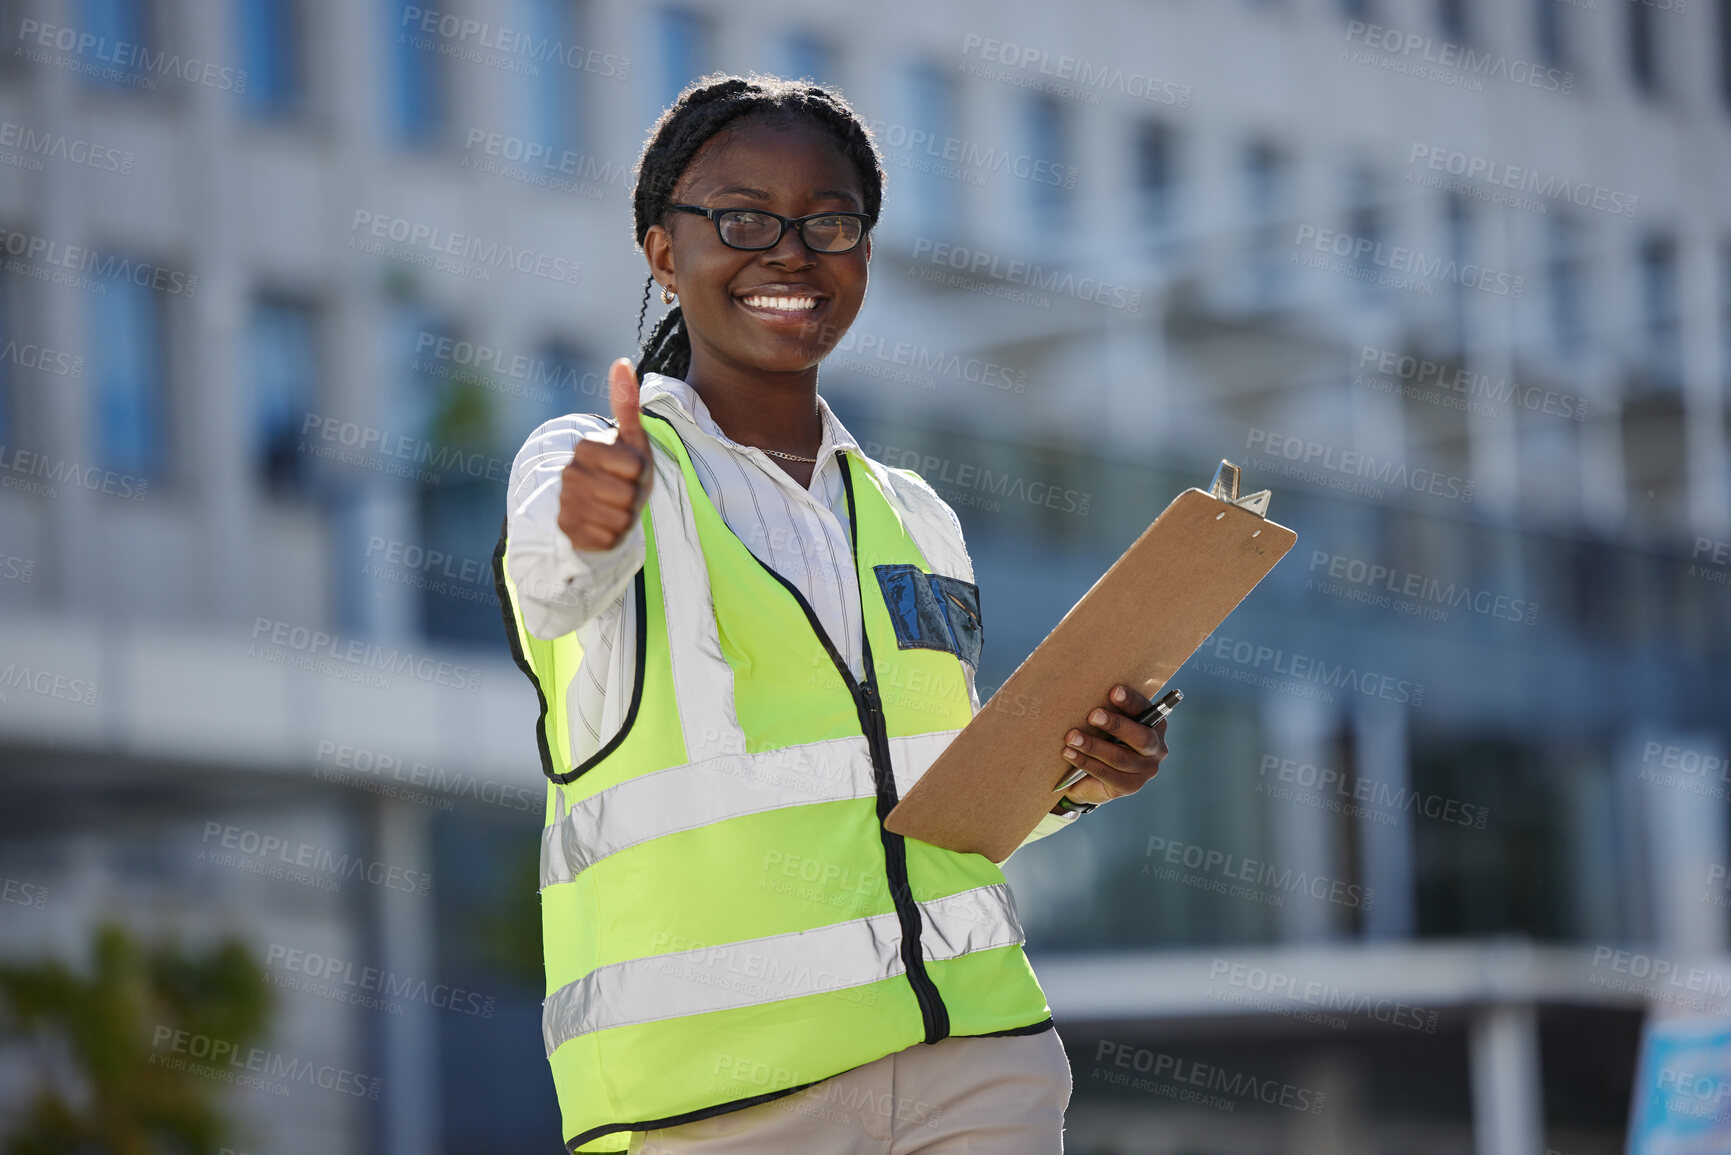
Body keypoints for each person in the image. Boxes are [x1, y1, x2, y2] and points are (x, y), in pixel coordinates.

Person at [495, 73, 1170, 1155]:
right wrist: (589, 521)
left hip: (979, 1063)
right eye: (741, 218)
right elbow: (556, 580)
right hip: (720, 1098)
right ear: (663, 252)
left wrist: (1079, 774)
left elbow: (941, 796)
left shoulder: (916, 518)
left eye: (829, 222)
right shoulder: (595, 467)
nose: (789, 251)